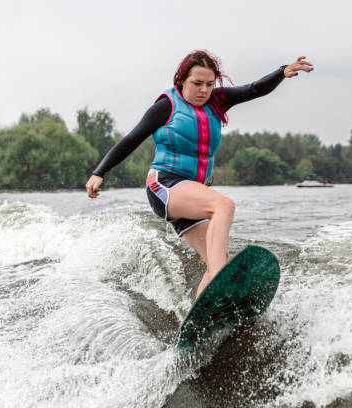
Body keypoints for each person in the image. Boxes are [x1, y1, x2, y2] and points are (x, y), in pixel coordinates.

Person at [86, 50, 313, 298]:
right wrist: (100, 172)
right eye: (197, 83)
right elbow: (131, 139)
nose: (203, 90)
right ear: (182, 80)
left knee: (219, 259)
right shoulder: (166, 107)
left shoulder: (217, 101)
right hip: (165, 185)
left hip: (192, 194)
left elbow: (254, 89)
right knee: (223, 206)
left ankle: (198, 323)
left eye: (209, 84)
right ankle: (219, 277)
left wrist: (282, 72)